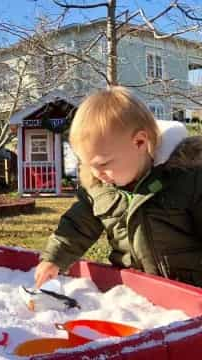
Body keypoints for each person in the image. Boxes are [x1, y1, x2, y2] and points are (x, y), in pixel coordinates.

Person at [35, 86, 202, 288]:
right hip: (131, 292)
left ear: (140, 142)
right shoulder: (99, 189)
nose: (96, 173)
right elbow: (77, 226)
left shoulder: (187, 177)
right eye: (88, 165)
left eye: (103, 164)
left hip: (188, 292)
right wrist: (54, 258)